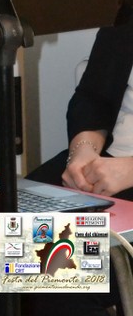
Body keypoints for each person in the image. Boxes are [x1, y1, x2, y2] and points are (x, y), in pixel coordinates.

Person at [23, 17, 133, 316]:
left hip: (125, 175)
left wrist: (130, 170)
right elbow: (93, 96)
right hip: (105, 165)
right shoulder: (126, 7)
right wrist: (82, 151)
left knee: (54, 274)